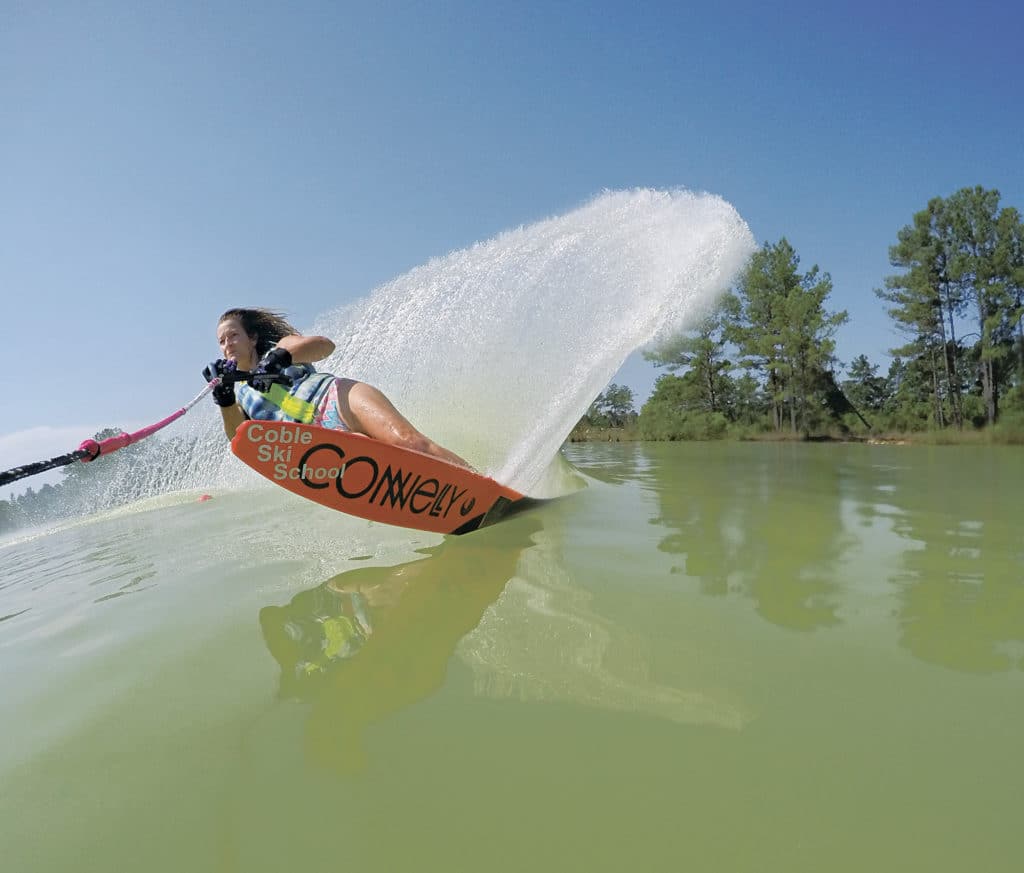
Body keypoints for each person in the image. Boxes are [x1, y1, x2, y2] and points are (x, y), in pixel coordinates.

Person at [202, 307, 472, 469]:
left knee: (409, 443)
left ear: (252, 338)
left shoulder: (280, 347)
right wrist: (224, 399)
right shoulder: (239, 396)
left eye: (234, 335)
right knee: (381, 456)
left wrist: (278, 359)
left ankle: (490, 487)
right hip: (314, 443)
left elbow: (324, 346)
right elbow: (239, 439)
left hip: (337, 399)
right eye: (222, 341)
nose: (228, 344)